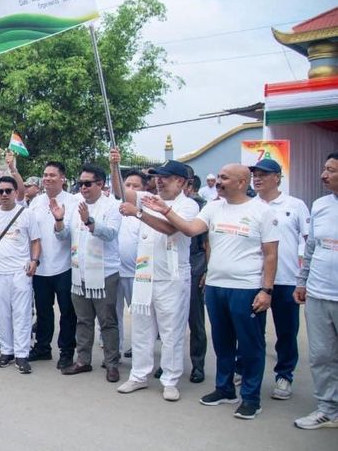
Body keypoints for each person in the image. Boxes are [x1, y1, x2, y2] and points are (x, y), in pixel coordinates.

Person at [144, 164, 278, 420]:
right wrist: (166, 210)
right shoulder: (213, 207)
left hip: (247, 288)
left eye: (224, 177)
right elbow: (191, 229)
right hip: (216, 286)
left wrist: (266, 290)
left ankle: (250, 398)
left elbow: (271, 254)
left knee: (250, 346)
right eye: (218, 177)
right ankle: (224, 388)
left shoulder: (262, 211)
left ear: (241, 182)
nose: (218, 181)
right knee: (222, 342)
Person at [109, 153, 199, 401]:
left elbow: (172, 229)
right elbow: (120, 193)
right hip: (145, 275)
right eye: (157, 178)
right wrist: (114, 165)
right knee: (141, 329)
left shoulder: (188, 205)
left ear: (181, 182)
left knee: (171, 332)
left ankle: (170, 379)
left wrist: (138, 214)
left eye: (166, 178)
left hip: (171, 278)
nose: (159, 182)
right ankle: (139, 375)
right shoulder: (149, 198)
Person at [52, 164, 122, 382]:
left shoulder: (112, 206)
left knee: (107, 321)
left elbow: (110, 234)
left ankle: (111, 363)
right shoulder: (75, 206)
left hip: (104, 274)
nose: (83, 188)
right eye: (80, 184)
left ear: (100, 184)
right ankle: (83, 360)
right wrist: (59, 220)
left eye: (87, 183)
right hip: (79, 273)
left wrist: (90, 222)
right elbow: (64, 237)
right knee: (83, 320)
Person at [251, 158, 309, 401]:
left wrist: (302, 279)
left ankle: (284, 375)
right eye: (255, 173)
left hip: (285, 280)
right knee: (252, 331)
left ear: (277, 177)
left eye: (263, 174)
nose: (258, 178)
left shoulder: (294, 205)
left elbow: (308, 243)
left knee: (286, 332)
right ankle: (245, 370)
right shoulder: (248, 205)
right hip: (254, 279)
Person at [292, 152, 338, 430]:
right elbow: (311, 248)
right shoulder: (320, 205)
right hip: (319, 293)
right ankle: (327, 409)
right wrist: (302, 281)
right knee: (321, 355)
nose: (323, 175)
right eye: (324, 169)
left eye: (331, 170)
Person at [0, 176, 41, 373]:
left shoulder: (26, 213)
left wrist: (34, 261)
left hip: (20, 272)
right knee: (1, 313)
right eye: (0, 191)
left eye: (8, 191)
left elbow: (35, 241)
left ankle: (22, 354)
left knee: (22, 313)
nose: (4, 194)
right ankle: (7, 351)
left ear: (16, 192)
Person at [27, 161, 80, 369]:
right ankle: (42, 348)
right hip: (41, 267)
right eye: (45, 175)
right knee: (43, 311)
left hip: (65, 266)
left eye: (52, 175)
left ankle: (66, 352)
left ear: (63, 178)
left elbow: (70, 233)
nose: (47, 178)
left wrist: (59, 220)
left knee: (68, 312)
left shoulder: (74, 201)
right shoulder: (36, 202)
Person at [115, 170, 146, 358]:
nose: (131, 189)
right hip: (115, 273)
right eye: (127, 185)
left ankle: (141, 352)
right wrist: (113, 165)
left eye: (136, 186)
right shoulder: (115, 210)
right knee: (113, 317)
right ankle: (115, 352)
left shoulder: (146, 213)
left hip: (138, 275)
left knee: (140, 319)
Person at [185, 173, 209, 384]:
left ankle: (197, 364)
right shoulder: (160, 202)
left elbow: (207, 243)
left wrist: (205, 270)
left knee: (196, 320)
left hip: (194, 266)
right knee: (168, 321)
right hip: (169, 267)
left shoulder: (201, 207)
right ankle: (168, 364)